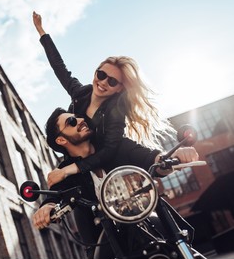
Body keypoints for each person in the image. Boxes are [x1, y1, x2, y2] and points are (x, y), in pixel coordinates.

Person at [32, 12, 175, 187]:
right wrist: (42, 32)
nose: (103, 82)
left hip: (106, 165)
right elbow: (59, 68)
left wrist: (168, 158)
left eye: (112, 81)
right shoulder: (80, 93)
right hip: (78, 161)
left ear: (120, 88)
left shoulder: (116, 110)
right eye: (101, 74)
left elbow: (110, 150)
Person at [32, 108, 199, 258]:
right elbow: (57, 194)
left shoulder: (116, 146)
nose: (80, 120)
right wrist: (47, 207)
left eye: (78, 116)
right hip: (104, 239)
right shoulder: (64, 171)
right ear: (61, 140)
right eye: (71, 121)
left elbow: (151, 158)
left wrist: (173, 157)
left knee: (185, 248)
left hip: (145, 217)